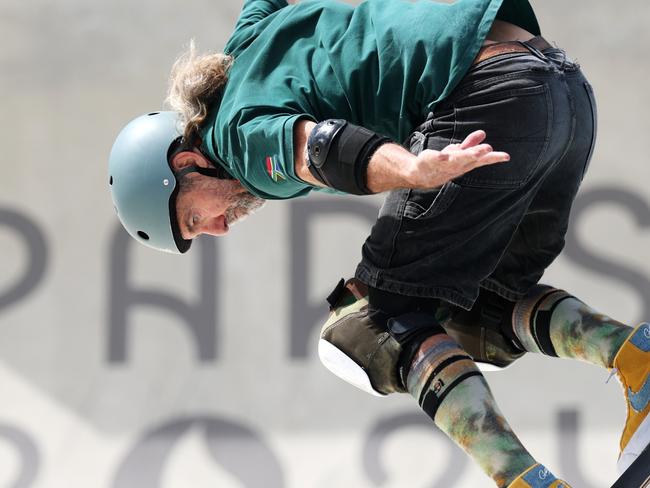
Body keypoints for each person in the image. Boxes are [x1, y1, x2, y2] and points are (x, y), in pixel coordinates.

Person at [108, 0, 650, 486]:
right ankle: (638, 361)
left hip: (485, 103)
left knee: (366, 327)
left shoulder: (239, 146)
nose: (218, 229)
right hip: (563, 90)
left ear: (184, 164)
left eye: (193, 218)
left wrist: (412, 168)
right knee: (479, 309)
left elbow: (321, 149)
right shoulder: (248, 43)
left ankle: (525, 482)